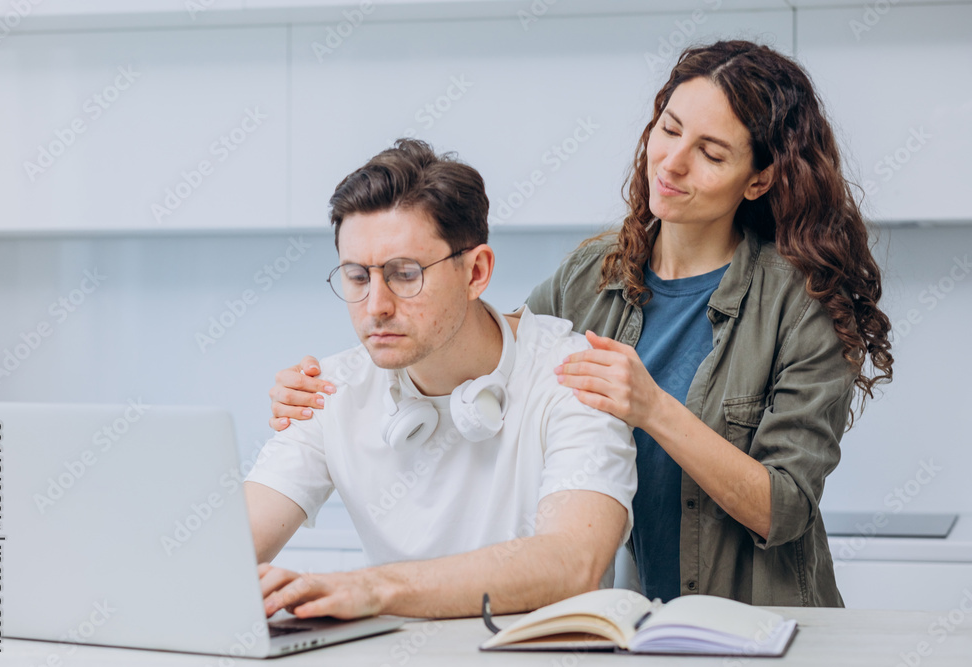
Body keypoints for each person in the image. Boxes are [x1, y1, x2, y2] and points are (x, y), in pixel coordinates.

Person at [266, 40, 894, 607]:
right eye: (668, 130)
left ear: (759, 178)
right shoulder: (596, 271)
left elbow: (783, 509)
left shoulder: (801, 298)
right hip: (640, 612)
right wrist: (353, 369)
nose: (671, 163)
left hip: (760, 617)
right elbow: (493, 340)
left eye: (710, 153)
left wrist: (653, 408)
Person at [244, 139, 637, 621]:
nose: (376, 307)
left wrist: (374, 588)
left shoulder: (574, 376)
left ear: (476, 272)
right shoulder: (328, 389)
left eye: (405, 274)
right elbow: (227, 550)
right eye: (357, 277)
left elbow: (574, 563)